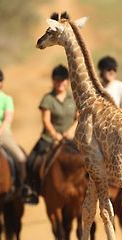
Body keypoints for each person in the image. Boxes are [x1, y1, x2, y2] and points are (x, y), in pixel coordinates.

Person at [23, 64, 78, 204]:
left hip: (71, 138)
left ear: (67, 81)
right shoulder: (48, 99)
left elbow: (79, 118)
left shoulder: (73, 99)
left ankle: (94, 191)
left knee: (89, 159)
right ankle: (32, 189)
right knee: (31, 160)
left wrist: (70, 132)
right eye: (57, 80)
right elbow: (46, 121)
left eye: (63, 80)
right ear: (53, 81)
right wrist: (56, 135)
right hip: (49, 137)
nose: (60, 83)